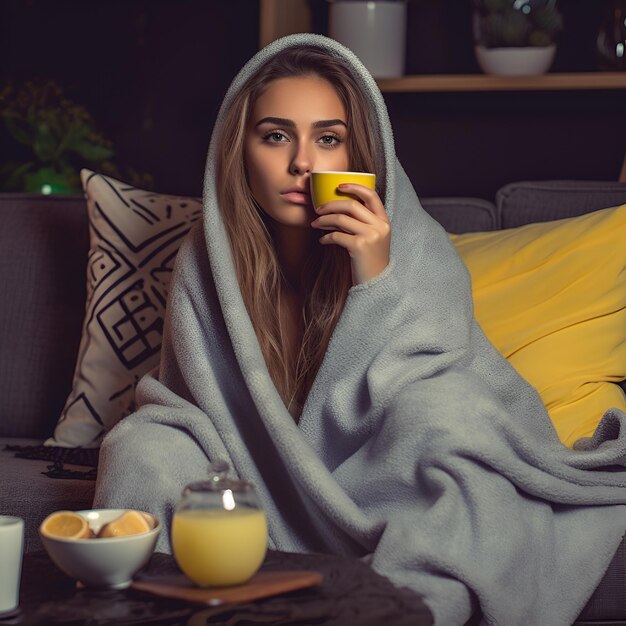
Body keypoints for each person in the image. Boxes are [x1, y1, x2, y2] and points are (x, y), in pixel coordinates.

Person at [94, 34, 626, 625]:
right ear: (238, 149)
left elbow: (429, 394)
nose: (303, 162)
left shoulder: (413, 243)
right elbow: (192, 405)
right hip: (252, 487)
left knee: (448, 411)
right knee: (141, 443)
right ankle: (157, 610)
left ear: (357, 150)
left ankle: (404, 608)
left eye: (328, 138)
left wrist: (375, 279)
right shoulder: (207, 260)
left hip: (383, 476)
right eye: (276, 136)